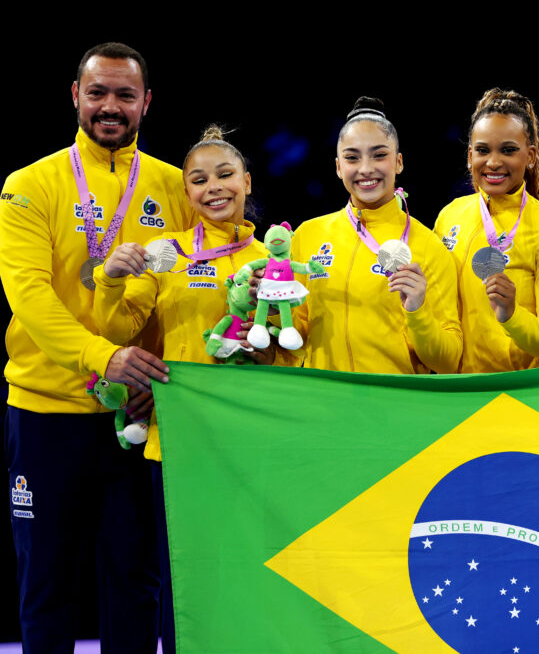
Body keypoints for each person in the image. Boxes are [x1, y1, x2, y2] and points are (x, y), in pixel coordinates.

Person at [0, 42, 197, 652]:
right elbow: (29, 297)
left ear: (146, 103)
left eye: (124, 95)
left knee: (134, 584)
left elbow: (188, 294)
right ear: (76, 97)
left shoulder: (177, 185)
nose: (110, 107)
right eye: (98, 93)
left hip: (133, 417)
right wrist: (103, 357)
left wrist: (165, 388)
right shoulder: (29, 185)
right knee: (48, 583)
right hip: (46, 410)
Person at [92, 125, 273, 653]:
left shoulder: (270, 257)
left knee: (244, 569)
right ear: (187, 192)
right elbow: (118, 331)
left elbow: (290, 349)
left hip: (248, 442)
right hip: (177, 444)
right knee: (183, 577)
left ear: (246, 180)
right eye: (198, 180)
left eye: (224, 175)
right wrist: (110, 280)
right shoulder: (164, 254)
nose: (213, 187)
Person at [286, 97, 461, 374]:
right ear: (338, 167)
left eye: (379, 155)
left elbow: (448, 362)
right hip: (325, 406)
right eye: (352, 157)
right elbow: (294, 342)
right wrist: (273, 311)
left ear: (399, 162)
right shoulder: (307, 235)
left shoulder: (428, 245)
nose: (366, 168)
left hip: (394, 407)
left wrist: (417, 311)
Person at [434, 89, 539, 372]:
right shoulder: (449, 217)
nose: (494, 162)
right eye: (483, 150)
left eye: (508, 150)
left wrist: (513, 315)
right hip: (455, 394)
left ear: (531, 156)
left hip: (518, 395)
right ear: (470, 155)